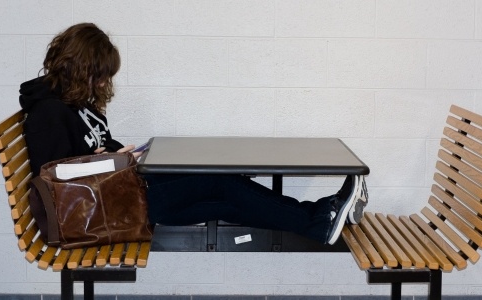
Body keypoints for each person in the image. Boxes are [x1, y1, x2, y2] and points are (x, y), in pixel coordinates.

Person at [19, 23, 367, 245]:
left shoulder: (76, 102)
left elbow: (94, 148)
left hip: (121, 193)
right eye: (100, 75)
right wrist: (102, 162)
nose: (103, 83)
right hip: (107, 212)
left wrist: (120, 154)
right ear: (81, 68)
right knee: (219, 184)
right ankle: (317, 220)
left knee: (223, 187)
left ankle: (317, 217)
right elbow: (55, 179)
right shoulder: (49, 112)